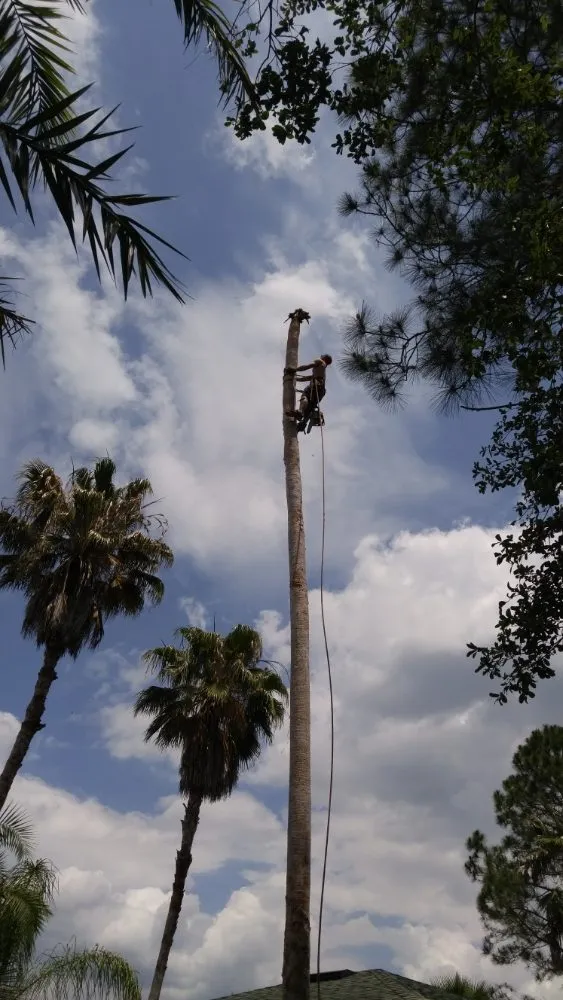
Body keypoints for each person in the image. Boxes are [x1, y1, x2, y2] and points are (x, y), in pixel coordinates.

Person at [285, 354, 333, 427]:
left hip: (316, 386)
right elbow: (308, 378)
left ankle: (300, 412)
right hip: (321, 391)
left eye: (322, 357)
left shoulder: (320, 361)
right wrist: (295, 379)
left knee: (305, 395)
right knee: (310, 406)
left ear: (324, 358)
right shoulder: (322, 371)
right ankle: (303, 423)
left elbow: (307, 366)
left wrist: (294, 370)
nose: (320, 357)